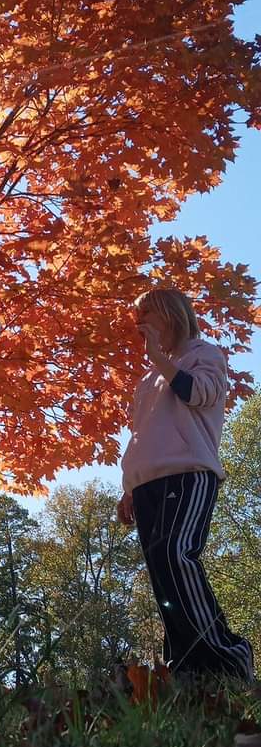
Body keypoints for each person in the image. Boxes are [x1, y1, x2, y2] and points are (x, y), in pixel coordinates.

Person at [117, 286, 254, 681]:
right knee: (160, 569)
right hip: (146, 485)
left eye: (147, 313)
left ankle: (229, 657)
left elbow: (200, 393)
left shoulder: (204, 355)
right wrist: (129, 486)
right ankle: (188, 668)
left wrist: (160, 359)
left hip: (189, 472)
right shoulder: (146, 381)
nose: (140, 323)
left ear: (172, 314)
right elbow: (141, 434)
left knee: (176, 553)